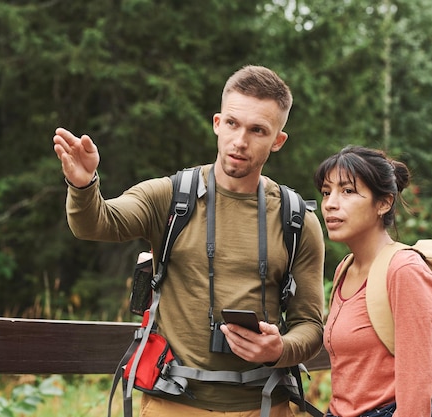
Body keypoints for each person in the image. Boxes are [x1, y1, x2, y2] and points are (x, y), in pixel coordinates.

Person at [53, 65, 325, 417]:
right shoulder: (170, 197)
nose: (240, 141)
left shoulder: (297, 219)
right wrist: (83, 184)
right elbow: (98, 223)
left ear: (278, 140)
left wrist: (280, 348)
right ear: (217, 123)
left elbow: (311, 327)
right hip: (172, 403)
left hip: (264, 405)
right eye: (232, 123)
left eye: (257, 130)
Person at [313, 146, 432, 417]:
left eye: (347, 191)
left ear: (383, 203)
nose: (330, 203)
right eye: (327, 192)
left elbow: (416, 398)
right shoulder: (345, 268)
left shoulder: (404, 271)